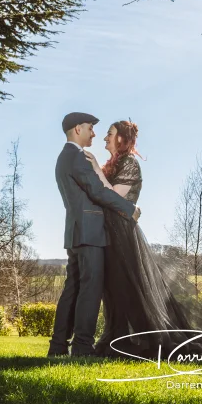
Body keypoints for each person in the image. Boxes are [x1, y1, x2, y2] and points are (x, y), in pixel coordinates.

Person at [82, 119, 202, 361]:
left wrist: (95, 168)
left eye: (109, 134)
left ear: (122, 139)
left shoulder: (131, 164)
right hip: (109, 233)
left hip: (123, 236)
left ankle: (149, 342)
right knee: (113, 290)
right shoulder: (113, 165)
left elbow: (114, 196)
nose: (105, 137)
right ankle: (117, 339)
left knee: (128, 289)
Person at [49, 112, 141, 357]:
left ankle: (58, 345)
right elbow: (97, 190)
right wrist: (129, 209)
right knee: (90, 289)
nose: (94, 133)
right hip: (90, 232)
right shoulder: (76, 157)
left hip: (77, 231)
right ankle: (81, 345)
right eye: (90, 128)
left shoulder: (65, 156)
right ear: (78, 129)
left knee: (74, 288)